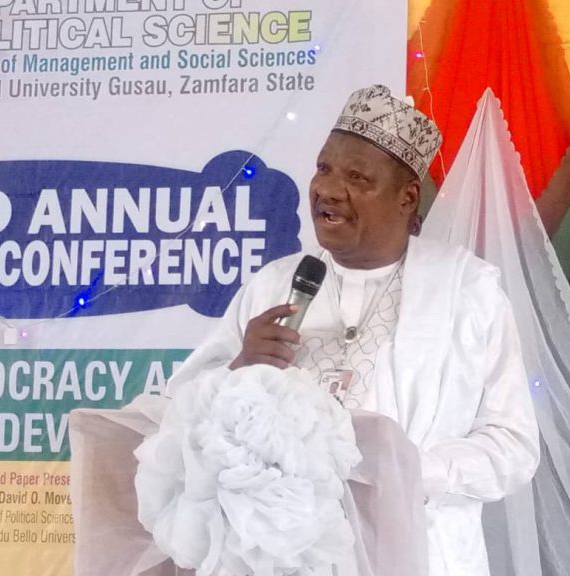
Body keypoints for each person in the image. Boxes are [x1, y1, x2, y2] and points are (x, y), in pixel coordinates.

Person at [169, 85, 539, 576]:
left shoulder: (468, 291)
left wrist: (409, 472)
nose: (327, 189)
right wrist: (239, 367)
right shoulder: (274, 285)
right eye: (323, 168)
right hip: (285, 558)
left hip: (422, 552)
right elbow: (179, 411)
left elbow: (513, 445)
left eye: (356, 177)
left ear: (407, 197)